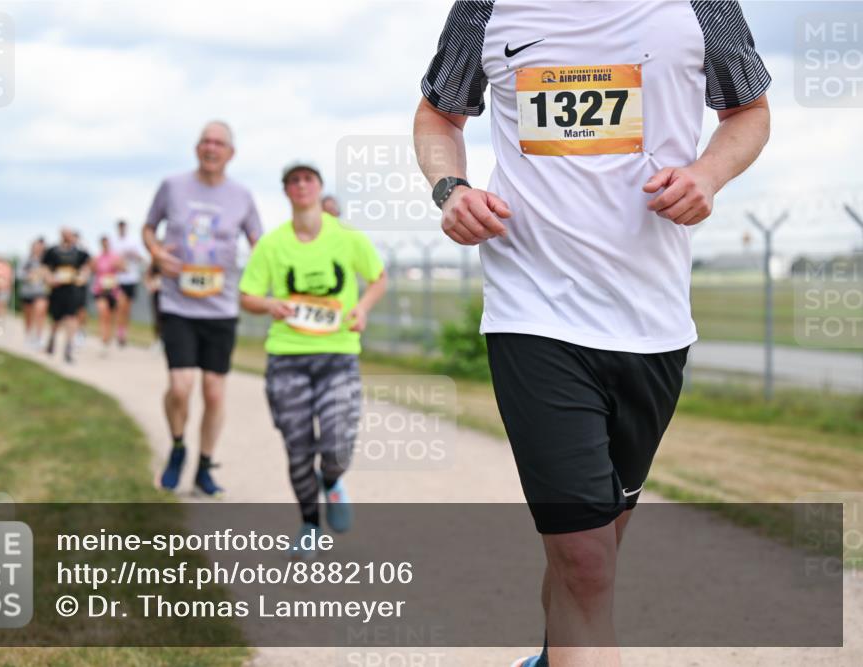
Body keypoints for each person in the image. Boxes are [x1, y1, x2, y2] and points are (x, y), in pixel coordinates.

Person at [414, 3, 771, 666]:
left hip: (653, 324)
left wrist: (706, 175)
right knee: (583, 558)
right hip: (534, 312)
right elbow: (439, 114)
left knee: (597, 548)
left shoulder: (703, 5)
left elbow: (749, 112)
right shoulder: (485, 7)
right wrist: (450, 188)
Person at [239, 161, 387, 560]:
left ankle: (333, 480)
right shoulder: (271, 245)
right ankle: (309, 525)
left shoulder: (346, 238)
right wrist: (270, 303)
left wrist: (364, 309)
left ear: (319, 188)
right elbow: (247, 296)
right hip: (287, 358)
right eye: (293, 181)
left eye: (308, 179)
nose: (301, 186)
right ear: (286, 191)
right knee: (298, 448)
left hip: (338, 355)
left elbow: (378, 277)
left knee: (338, 443)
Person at [144, 121, 263, 496]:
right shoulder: (172, 186)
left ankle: (205, 466)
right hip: (178, 304)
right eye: (205, 142)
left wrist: (256, 278)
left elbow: (259, 242)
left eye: (219, 143)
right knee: (180, 387)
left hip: (221, 306)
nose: (211, 148)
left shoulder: (242, 195)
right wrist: (158, 253)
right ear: (197, 148)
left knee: (213, 392)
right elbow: (149, 228)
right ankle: (178, 446)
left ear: (231, 153)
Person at [43, 228, 91, 364]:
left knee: (71, 318)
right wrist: (50, 279)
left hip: (72, 290)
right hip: (57, 290)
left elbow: (87, 267)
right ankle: (52, 340)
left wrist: (82, 277)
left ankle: (68, 348)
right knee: (56, 319)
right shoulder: (53, 251)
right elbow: (45, 268)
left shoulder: (79, 253)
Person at [111, 219, 145, 347]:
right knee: (120, 306)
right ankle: (119, 333)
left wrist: (133, 255)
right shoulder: (114, 243)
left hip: (132, 279)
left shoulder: (133, 242)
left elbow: (141, 259)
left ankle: (124, 332)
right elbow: (112, 261)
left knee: (127, 309)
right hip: (119, 279)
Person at [92, 235, 125, 355]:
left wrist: (118, 265)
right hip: (100, 290)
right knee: (103, 313)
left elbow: (124, 269)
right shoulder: (97, 257)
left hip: (113, 290)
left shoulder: (115, 257)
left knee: (110, 317)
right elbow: (92, 270)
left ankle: (108, 339)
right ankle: (103, 339)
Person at [18, 238, 49, 347]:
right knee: (28, 316)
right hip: (27, 292)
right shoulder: (26, 259)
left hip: (41, 291)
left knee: (40, 312)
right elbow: (18, 274)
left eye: (40, 247)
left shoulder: (46, 261)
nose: (38, 249)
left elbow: (50, 275)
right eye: (36, 246)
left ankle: (39, 337)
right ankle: (28, 335)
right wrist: (28, 276)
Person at [144, 262, 163, 346]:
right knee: (157, 316)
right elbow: (147, 276)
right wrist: (150, 286)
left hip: (170, 295)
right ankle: (158, 340)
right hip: (157, 293)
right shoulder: (155, 262)